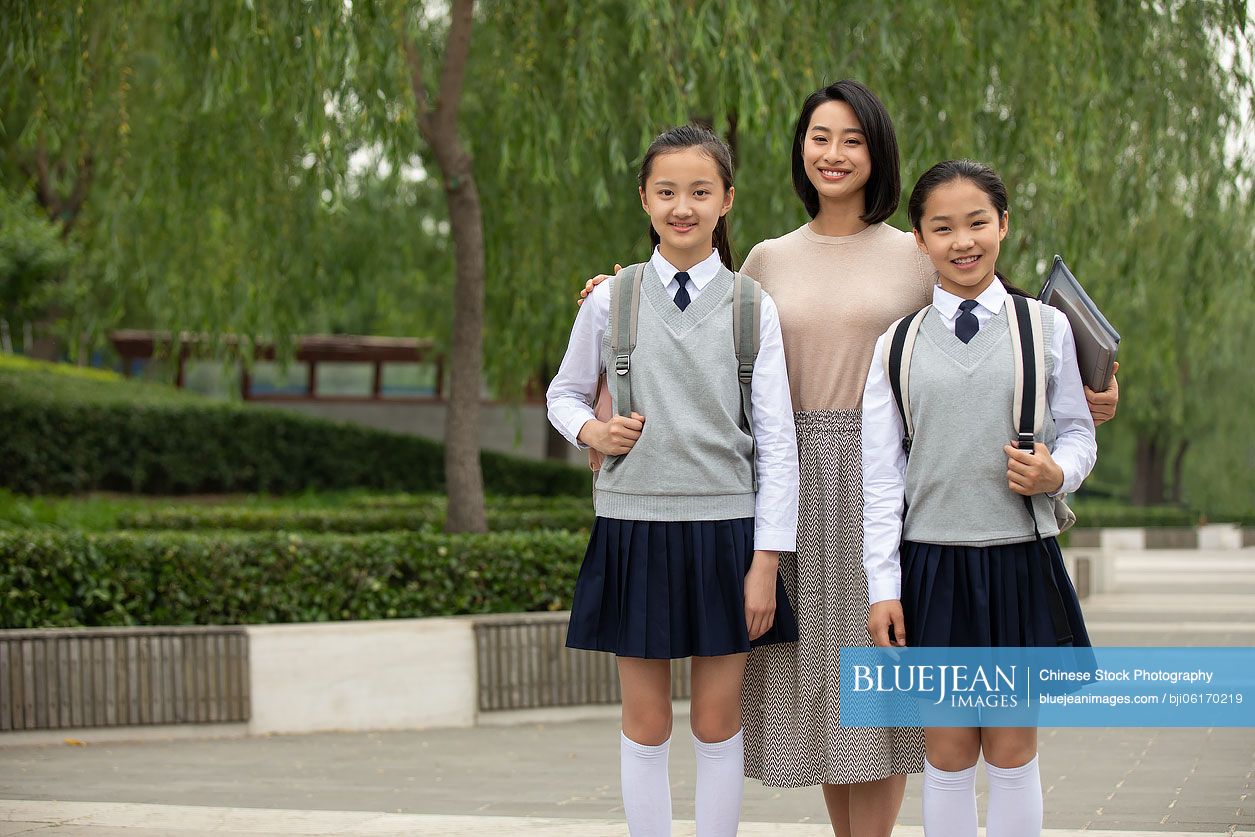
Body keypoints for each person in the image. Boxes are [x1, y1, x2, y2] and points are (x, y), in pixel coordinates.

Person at [576, 81, 1119, 837]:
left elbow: (1001, 324)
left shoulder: (916, 248)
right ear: (800, 148)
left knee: (885, 678)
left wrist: (1093, 387)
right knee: (821, 687)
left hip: (883, 485)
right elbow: (691, 305)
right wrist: (609, 290)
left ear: (877, 152)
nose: (834, 154)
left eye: (852, 139)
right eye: (820, 137)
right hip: (789, 482)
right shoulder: (767, 256)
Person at [546, 123, 800, 837]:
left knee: (718, 721)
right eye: (665, 191)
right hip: (633, 529)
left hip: (727, 534)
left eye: (698, 190)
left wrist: (765, 560)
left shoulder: (753, 307)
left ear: (725, 200)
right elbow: (563, 393)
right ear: (643, 199)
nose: (680, 205)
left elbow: (777, 443)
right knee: (645, 719)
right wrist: (591, 431)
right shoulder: (610, 300)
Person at [862, 158, 1096, 837]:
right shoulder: (894, 345)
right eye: (942, 227)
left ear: (1002, 226)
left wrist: (1058, 473)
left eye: (976, 223)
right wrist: (883, 586)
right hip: (931, 566)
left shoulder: (1043, 329)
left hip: (1016, 560)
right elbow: (880, 478)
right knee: (947, 751)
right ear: (918, 238)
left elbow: (1078, 432)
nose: (961, 241)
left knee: (1012, 748)